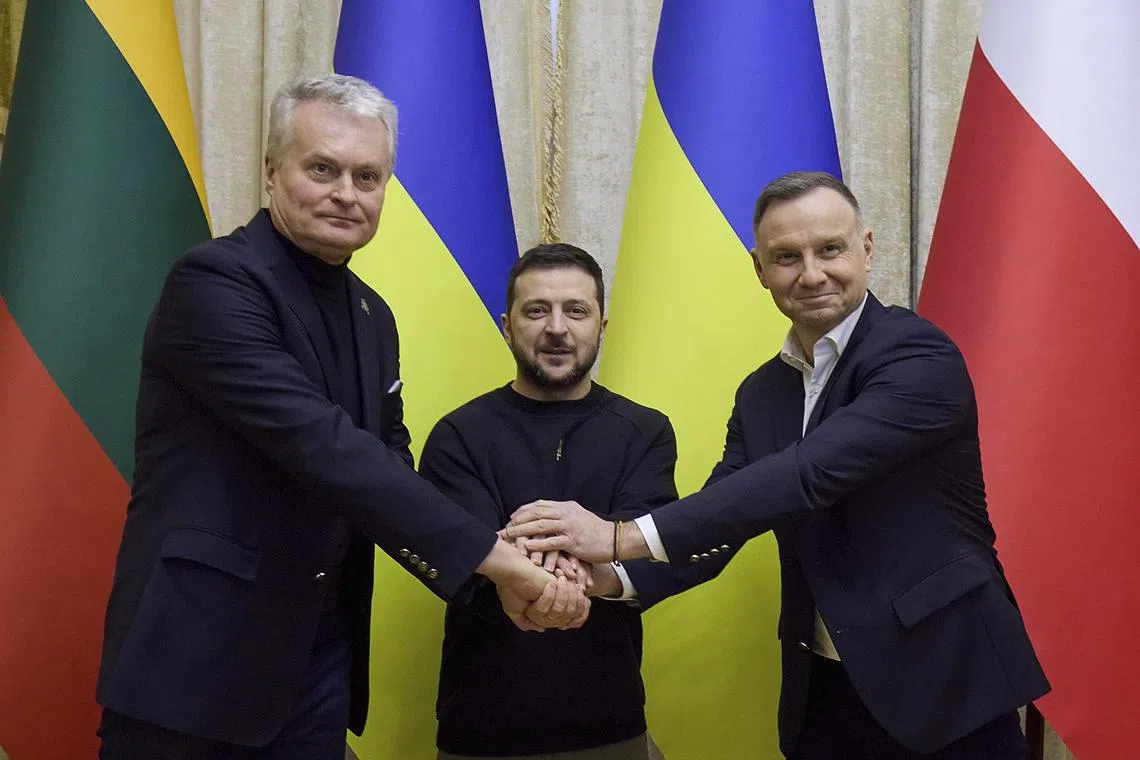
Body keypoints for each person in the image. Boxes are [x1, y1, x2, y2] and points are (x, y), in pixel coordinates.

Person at [95, 74, 586, 760]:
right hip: (198, 663)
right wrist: (504, 562)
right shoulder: (212, 284)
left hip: (319, 661)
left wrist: (484, 575)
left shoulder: (371, 314)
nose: (347, 194)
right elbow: (324, 449)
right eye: (322, 168)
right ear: (272, 172)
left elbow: (386, 463)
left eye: (368, 175)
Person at [506, 171, 1050, 759]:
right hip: (826, 692)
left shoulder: (918, 356)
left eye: (830, 249)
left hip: (947, 682)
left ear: (866, 249)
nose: (811, 273)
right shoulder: (762, 393)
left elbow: (807, 475)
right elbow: (720, 525)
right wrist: (603, 578)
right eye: (786, 257)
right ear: (759, 269)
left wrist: (615, 537)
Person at [419, 244, 675, 760]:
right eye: (537, 310)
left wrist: (570, 570)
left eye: (576, 311)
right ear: (506, 324)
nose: (556, 328)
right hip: (480, 725)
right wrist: (571, 565)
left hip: (610, 721)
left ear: (602, 326)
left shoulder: (647, 432)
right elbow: (459, 559)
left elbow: (651, 551)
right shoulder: (457, 434)